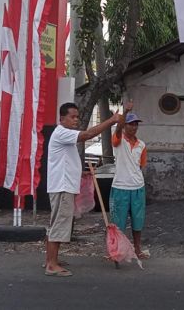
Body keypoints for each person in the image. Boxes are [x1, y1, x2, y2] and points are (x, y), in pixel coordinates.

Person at [44, 102, 122, 277]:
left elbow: (66, 160)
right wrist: (111, 120)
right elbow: (88, 134)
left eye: (77, 117)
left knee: (56, 223)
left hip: (63, 185)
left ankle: (50, 259)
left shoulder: (63, 134)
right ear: (61, 118)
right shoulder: (62, 133)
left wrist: (81, 172)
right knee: (60, 224)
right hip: (62, 186)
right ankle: (51, 264)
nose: (75, 120)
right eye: (72, 117)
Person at [110, 100, 149, 260]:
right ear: (125, 125)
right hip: (120, 187)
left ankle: (137, 249)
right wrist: (124, 113)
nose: (133, 127)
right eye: (130, 124)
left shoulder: (141, 145)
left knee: (138, 222)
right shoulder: (118, 141)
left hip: (138, 187)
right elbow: (118, 129)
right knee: (118, 222)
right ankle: (116, 250)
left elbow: (141, 166)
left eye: (136, 124)